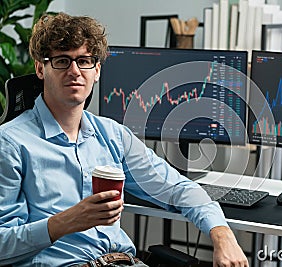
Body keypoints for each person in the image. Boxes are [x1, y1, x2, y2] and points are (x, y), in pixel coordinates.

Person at [0, 12, 249, 267]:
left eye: (84, 61)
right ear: (41, 68)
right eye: (62, 61)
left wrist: (222, 234)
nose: (74, 71)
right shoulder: (10, 144)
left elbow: (177, 188)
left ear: (96, 70)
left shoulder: (112, 135)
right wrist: (62, 224)